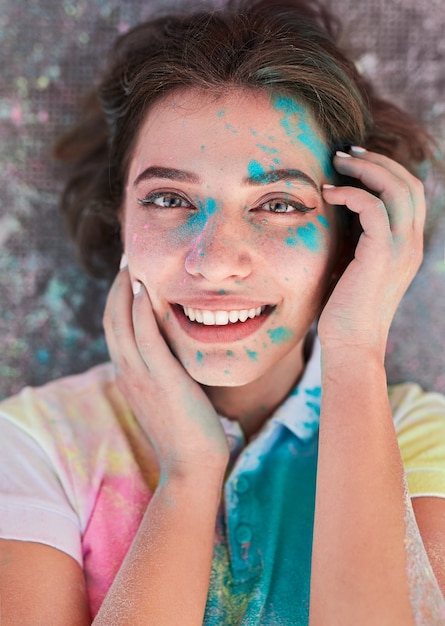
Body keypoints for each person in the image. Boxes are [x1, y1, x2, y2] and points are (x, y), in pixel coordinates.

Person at [0, 0, 444, 623]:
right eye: (170, 198)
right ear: (119, 220)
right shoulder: (33, 444)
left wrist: (356, 348)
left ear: (350, 236)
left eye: (279, 204)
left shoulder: (425, 439)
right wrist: (189, 472)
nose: (213, 262)